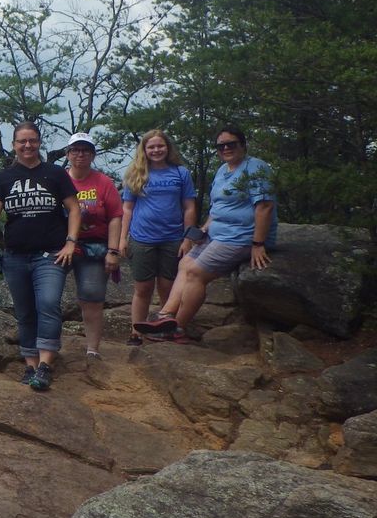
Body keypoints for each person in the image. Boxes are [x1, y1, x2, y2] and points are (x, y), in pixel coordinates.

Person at [0, 122, 80, 392]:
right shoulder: (5, 178)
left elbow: (74, 210)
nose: (27, 146)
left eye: (32, 141)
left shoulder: (55, 174)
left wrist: (70, 242)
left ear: (39, 142)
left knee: (49, 303)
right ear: (14, 145)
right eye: (22, 141)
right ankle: (30, 364)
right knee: (25, 312)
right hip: (16, 255)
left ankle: (45, 365)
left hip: (50, 254)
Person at [140, 125, 277, 343]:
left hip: (239, 236)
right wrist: (202, 230)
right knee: (184, 264)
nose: (226, 149)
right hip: (217, 234)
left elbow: (265, 207)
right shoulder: (224, 170)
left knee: (195, 273)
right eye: (221, 146)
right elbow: (216, 209)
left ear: (242, 144)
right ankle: (164, 316)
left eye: (231, 144)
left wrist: (258, 243)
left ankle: (177, 329)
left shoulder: (255, 168)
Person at [117, 129, 197, 345]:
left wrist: (187, 238)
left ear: (167, 147)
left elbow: (189, 207)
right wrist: (122, 239)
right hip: (142, 237)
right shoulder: (136, 173)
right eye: (151, 147)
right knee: (142, 288)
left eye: (160, 146)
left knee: (167, 286)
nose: (156, 150)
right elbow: (127, 209)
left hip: (172, 237)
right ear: (144, 150)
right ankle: (137, 331)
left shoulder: (180, 173)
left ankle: (169, 327)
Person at [64, 132, 123, 358]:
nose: (80, 154)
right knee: (47, 294)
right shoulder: (60, 180)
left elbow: (116, 216)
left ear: (93, 155)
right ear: (68, 154)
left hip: (94, 247)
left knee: (91, 297)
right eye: (76, 150)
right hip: (63, 245)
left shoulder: (103, 182)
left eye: (86, 150)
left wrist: (113, 250)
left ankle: (92, 350)